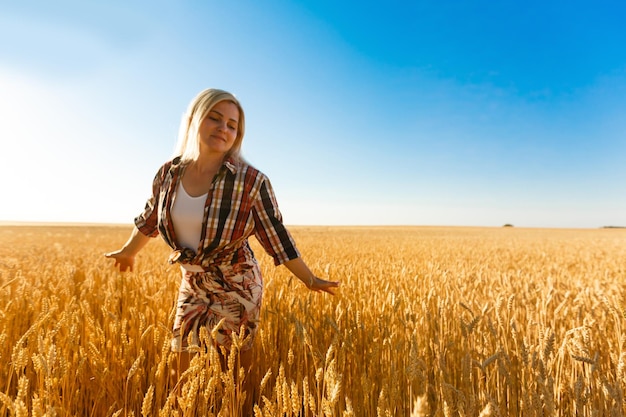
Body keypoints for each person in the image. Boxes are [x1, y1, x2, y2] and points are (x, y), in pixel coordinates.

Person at [105, 88, 339, 408]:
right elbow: (150, 218)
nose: (223, 129)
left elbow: (276, 236)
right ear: (193, 121)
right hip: (193, 283)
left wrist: (309, 278)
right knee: (183, 370)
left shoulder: (251, 181)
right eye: (215, 118)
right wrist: (129, 251)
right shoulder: (168, 174)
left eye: (232, 125)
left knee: (235, 377)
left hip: (237, 283)